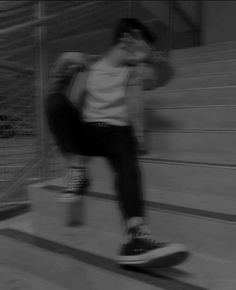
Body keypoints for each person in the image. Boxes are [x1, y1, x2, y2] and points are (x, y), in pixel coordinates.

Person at [46, 18, 188, 267]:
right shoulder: (87, 66)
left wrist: (150, 55)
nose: (142, 54)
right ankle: (77, 170)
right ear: (127, 39)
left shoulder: (137, 72)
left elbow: (166, 75)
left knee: (128, 164)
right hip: (87, 133)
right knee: (55, 102)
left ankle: (135, 238)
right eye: (141, 45)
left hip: (119, 134)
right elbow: (54, 87)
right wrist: (65, 59)